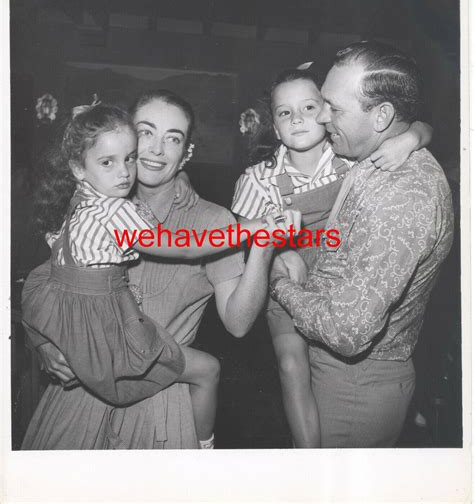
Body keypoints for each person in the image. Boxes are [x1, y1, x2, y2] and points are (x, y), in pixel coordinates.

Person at [22, 90, 291, 449]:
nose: (156, 150)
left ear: (187, 153)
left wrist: (262, 248)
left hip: (161, 400)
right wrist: (42, 343)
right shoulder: (96, 199)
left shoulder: (211, 220)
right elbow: (46, 284)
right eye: (146, 132)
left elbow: (239, 323)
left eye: (173, 138)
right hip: (79, 395)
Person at [232, 66, 433, 447]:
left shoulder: (349, 156)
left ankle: (404, 406)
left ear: (327, 114)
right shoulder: (258, 180)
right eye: (285, 113)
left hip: (341, 278)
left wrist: (408, 141)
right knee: (292, 364)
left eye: (309, 107)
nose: (298, 119)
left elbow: (425, 127)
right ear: (274, 127)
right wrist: (276, 253)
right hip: (287, 279)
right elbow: (252, 246)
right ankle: (308, 456)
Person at [269, 41, 454, 448]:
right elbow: (344, 242)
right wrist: (414, 135)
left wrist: (282, 287)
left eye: (333, 107)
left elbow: (346, 331)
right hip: (343, 373)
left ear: (382, 116)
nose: (321, 116)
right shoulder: (379, 151)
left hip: (354, 386)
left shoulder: (402, 197)